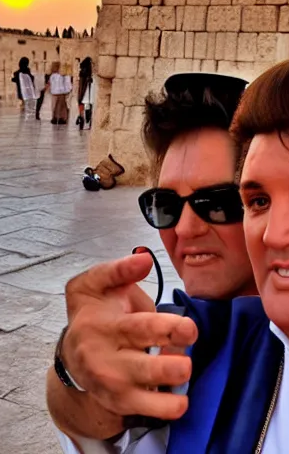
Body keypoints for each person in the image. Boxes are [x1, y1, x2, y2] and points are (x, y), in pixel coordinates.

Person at [48, 55, 289, 454]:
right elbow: (97, 420)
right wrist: (76, 365)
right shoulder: (199, 339)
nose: (276, 234)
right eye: (257, 200)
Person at [47, 72, 257, 452]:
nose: (187, 229)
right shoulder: (165, 340)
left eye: (219, 204)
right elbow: (94, 432)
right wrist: (75, 369)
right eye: (166, 205)